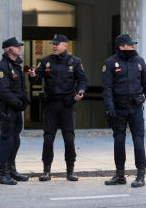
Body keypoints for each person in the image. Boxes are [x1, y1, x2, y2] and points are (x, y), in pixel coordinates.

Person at [28, 34, 88, 182]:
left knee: (69, 137)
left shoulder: (75, 62)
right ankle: (46, 171)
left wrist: (81, 91)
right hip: (50, 105)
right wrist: (32, 75)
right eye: (53, 44)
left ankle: (70, 171)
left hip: (67, 104)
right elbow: (36, 79)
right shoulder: (46, 61)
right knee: (48, 138)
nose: (54, 46)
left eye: (57, 44)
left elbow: (82, 79)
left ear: (65, 45)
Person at [102, 34, 146, 188]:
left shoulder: (139, 61)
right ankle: (120, 175)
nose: (133, 46)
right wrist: (109, 107)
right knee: (119, 141)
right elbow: (107, 88)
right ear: (121, 46)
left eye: (133, 44)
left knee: (138, 140)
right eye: (130, 44)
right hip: (119, 108)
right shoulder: (110, 63)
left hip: (136, 107)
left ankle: (140, 175)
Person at [0, 37, 31, 185]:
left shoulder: (15, 66)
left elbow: (21, 87)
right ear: (9, 49)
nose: (20, 48)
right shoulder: (2, 68)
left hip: (17, 109)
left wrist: (25, 100)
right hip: (8, 109)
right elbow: (4, 92)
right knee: (7, 140)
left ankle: (11, 169)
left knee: (15, 139)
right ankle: (2, 174)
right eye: (17, 47)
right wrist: (18, 103)